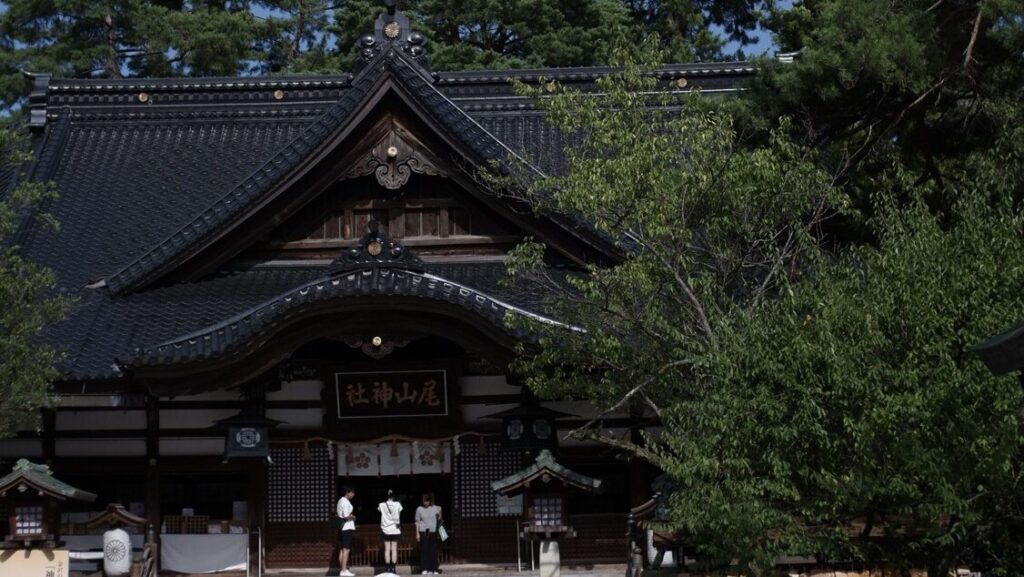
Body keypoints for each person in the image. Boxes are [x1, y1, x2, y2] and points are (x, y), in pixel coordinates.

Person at [414, 494, 442, 575]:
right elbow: (417, 522)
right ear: (422, 501)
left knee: (433, 550)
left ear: (430, 501)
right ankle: (425, 568)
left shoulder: (434, 508)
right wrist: (417, 533)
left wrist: (439, 516)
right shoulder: (419, 509)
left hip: (433, 531)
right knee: (424, 550)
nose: (426, 502)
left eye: (427, 501)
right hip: (424, 531)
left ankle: (434, 569)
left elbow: (440, 509)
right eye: (424, 501)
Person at [379, 489, 403, 574]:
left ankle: (387, 568)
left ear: (386, 496)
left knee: (387, 549)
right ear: (394, 496)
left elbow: (379, 511)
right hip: (395, 529)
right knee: (394, 549)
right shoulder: (398, 504)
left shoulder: (381, 505)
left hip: (385, 529)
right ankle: (393, 568)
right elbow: (399, 515)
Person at [337, 486, 357, 577]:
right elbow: (345, 515)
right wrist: (353, 517)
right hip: (346, 527)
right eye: (352, 492)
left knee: (342, 549)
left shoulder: (340, 501)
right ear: (347, 492)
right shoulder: (344, 502)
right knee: (346, 549)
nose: (353, 494)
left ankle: (342, 569)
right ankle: (344, 570)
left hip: (342, 528)